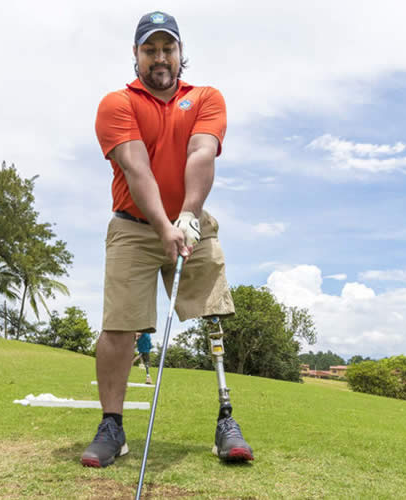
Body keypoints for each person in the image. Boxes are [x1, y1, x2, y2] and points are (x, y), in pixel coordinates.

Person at [80, 11, 254, 468]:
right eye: (150, 49)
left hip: (190, 220)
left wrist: (189, 216)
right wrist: (164, 226)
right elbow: (136, 168)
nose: (160, 57)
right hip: (134, 227)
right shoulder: (117, 103)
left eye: (168, 48)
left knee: (213, 313)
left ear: (180, 52)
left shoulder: (206, 97)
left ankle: (226, 421)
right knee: (119, 326)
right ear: (136, 55)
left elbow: (202, 153)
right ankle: (112, 428)